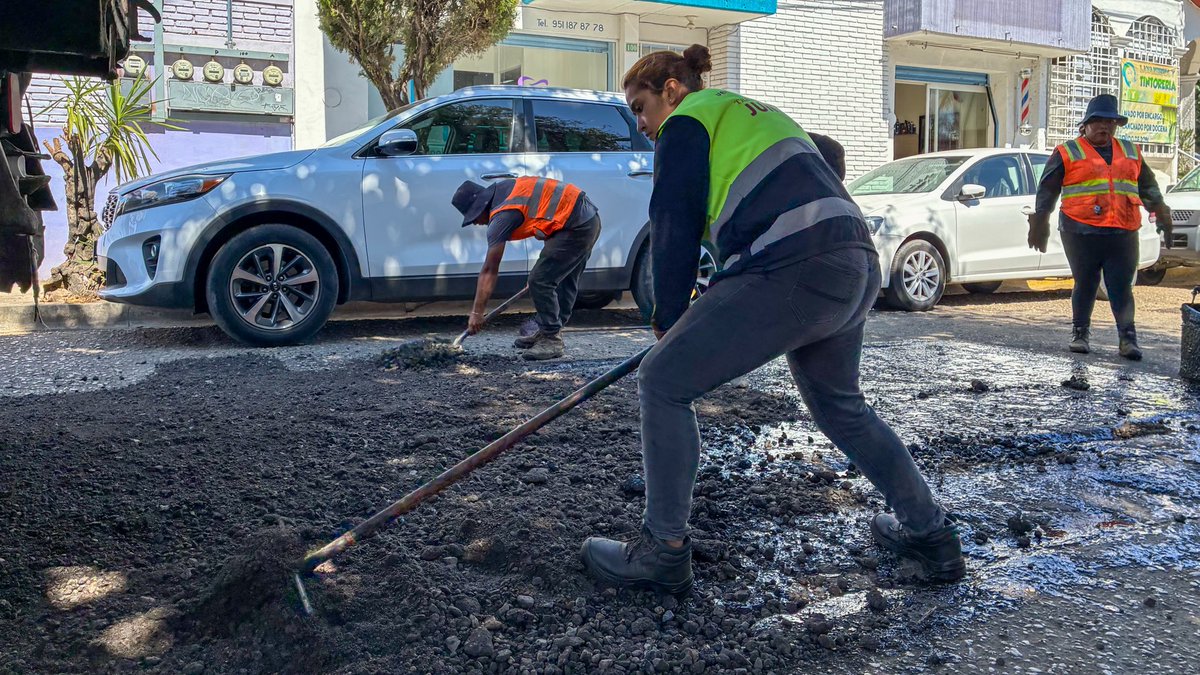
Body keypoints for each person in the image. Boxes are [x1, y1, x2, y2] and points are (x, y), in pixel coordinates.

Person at [580, 45, 964, 594]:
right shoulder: (754, 111)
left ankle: (661, 553)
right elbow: (827, 154)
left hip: (793, 265)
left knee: (663, 380)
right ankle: (932, 537)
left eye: (640, 108)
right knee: (841, 407)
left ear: (671, 89)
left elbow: (673, 220)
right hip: (854, 260)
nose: (640, 124)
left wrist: (668, 317)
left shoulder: (687, 120)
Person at [1028, 94, 1172, 360]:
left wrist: (1160, 211)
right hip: (1080, 231)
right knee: (1086, 282)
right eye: (1099, 122)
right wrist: (1040, 219)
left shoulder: (1131, 152)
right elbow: (1047, 189)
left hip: (1123, 230)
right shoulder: (1067, 152)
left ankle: (1128, 340)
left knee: (1121, 287)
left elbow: (1148, 187)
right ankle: (1080, 334)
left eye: (1111, 122)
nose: (1105, 127)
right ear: (1085, 126)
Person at [452, 177, 601, 361]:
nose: (476, 223)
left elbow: (490, 269)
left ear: (481, 207)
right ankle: (548, 331)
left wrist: (476, 313)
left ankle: (551, 338)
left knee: (539, 280)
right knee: (562, 279)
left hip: (577, 225)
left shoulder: (501, 216)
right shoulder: (503, 190)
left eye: (474, 218)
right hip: (587, 219)